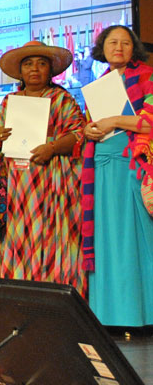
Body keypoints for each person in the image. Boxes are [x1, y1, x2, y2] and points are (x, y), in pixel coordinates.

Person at [0, 41, 86, 293]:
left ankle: (55, 295)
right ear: (20, 72)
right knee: (17, 236)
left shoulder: (62, 99)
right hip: (16, 184)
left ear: (51, 71)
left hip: (53, 181)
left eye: (42, 63)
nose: (35, 69)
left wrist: (52, 148)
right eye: (28, 64)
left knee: (52, 236)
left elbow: (79, 134)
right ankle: (20, 294)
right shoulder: (9, 101)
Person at [82, 25, 153, 327]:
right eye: (113, 42)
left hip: (132, 162)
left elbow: (149, 122)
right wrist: (87, 130)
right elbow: (93, 125)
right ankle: (110, 315)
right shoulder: (100, 84)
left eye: (126, 42)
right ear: (103, 48)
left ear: (134, 47)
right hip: (101, 165)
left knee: (136, 236)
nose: (119, 48)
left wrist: (113, 119)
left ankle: (142, 313)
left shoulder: (148, 76)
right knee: (107, 237)